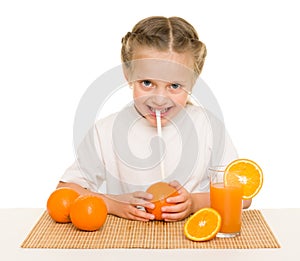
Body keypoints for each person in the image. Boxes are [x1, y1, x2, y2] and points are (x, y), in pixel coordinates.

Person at [57, 16, 251, 222]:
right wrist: (112, 204)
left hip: (192, 240)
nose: (159, 99)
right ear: (128, 73)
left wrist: (193, 202)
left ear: (193, 81)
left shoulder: (207, 126)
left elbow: (242, 196)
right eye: (147, 83)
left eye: (175, 86)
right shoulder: (106, 130)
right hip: (126, 241)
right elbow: (66, 189)